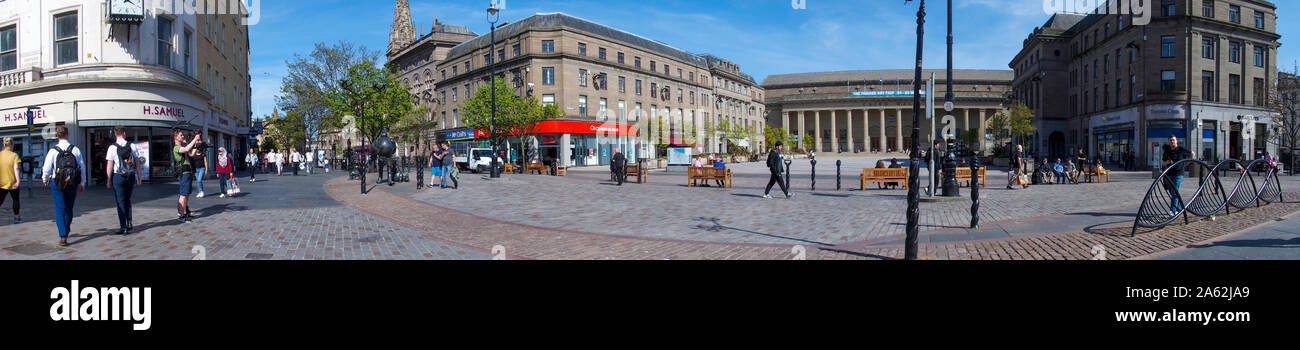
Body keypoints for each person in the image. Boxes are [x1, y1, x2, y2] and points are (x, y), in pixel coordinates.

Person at [43, 126, 86, 246]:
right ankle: (66, 228)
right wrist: (82, 183)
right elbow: (82, 167)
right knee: (69, 208)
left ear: (57, 136)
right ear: (67, 134)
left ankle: (63, 235)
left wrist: (45, 179)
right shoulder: (75, 150)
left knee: (59, 209)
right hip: (72, 183)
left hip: (57, 183)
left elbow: (46, 168)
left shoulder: (53, 151)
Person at [105, 126, 143, 235]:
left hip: (118, 176)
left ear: (115, 134)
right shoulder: (131, 146)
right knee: (128, 199)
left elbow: (109, 166)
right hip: (130, 176)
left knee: (120, 201)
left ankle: (123, 226)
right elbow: (137, 163)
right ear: (124, 133)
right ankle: (130, 222)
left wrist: (108, 180)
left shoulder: (112, 148)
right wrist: (139, 178)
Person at [1162, 135, 1196, 216]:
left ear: (1176, 140)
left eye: (1173, 140)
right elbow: (1163, 162)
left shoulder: (1181, 149)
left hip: (1178, 174)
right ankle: (1180, 209)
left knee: (1174, 192)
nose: (1172, 142)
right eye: (1170, 140)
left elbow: (1192, 153)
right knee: (1172, 192)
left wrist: (1187, 163)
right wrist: (1168, 162)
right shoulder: (1167, 151)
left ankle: (1172, 211)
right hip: (1169, 173)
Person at [173, 129, 201, 223]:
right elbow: (186, 149)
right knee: (183, 195)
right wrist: (194, 139)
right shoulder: (176, 148)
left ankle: (185, 213)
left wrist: (196, 145)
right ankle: (181, 215)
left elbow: (191, 154)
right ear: (176, 137)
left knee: (186, 194)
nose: (182, 136)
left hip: (188, 172)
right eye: (181, 135)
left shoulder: (182, 146)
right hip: (183, 173)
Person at [0, 137, 22, 224]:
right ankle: (17, 218)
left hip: (1, 183)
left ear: (3, 144)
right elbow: (16, 169)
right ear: (12, 145)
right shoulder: (14, 156)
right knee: (15, 200)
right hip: (13, 182)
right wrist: (18, 181)